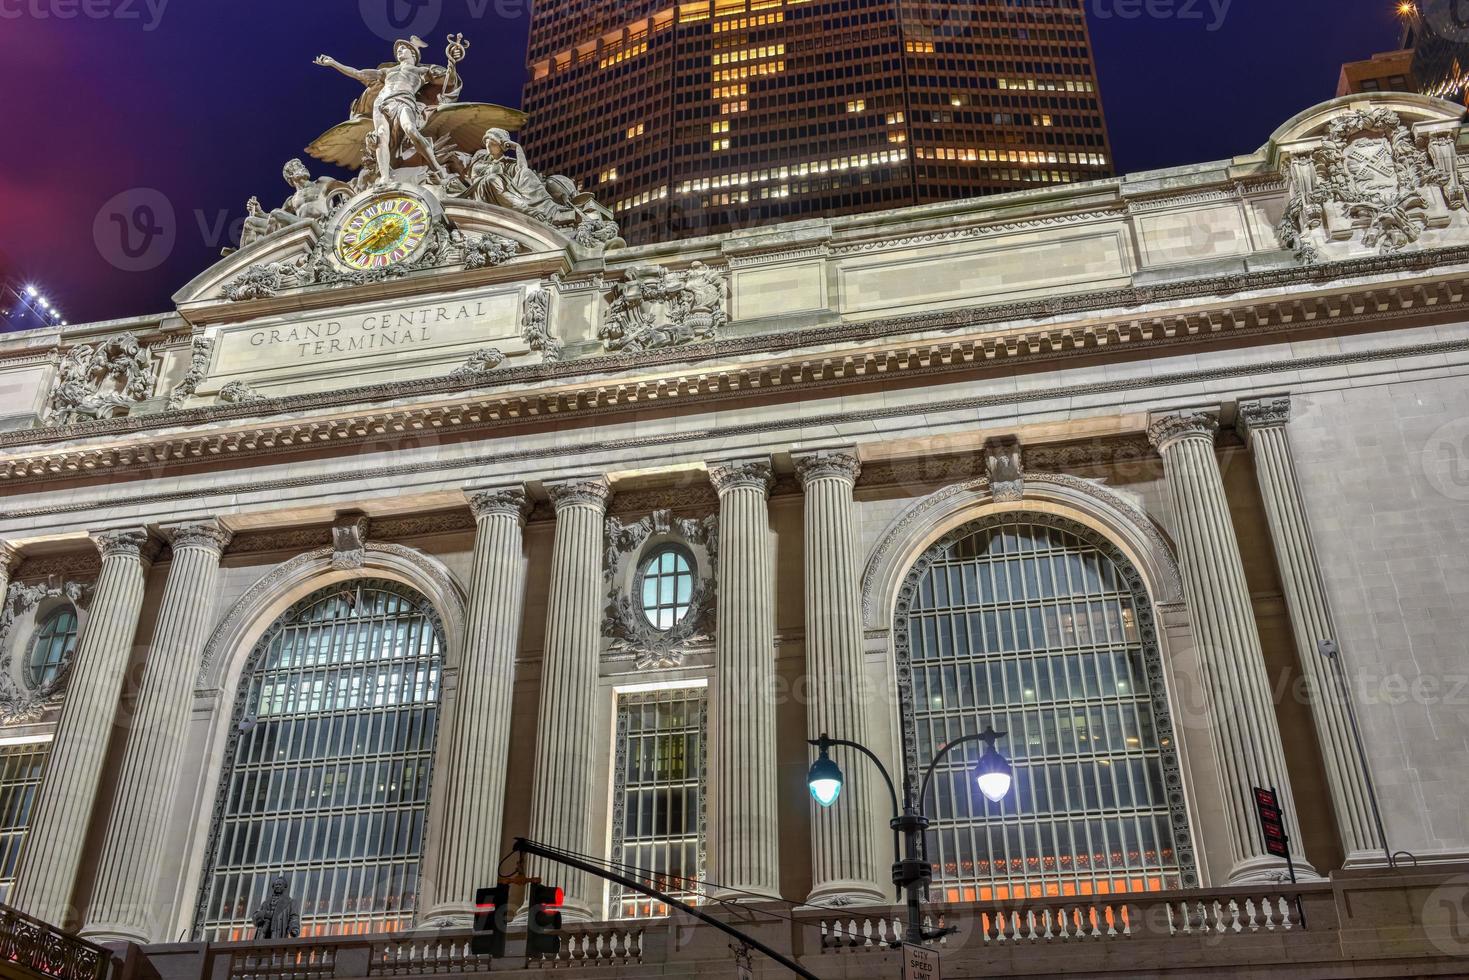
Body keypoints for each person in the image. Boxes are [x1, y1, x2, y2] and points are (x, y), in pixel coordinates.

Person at [316, 38, 458, 184]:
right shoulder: (387, 71)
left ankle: (436, 168)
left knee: (411, 130)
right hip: (382, 103)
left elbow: (450, 80)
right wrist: (333, 63)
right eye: (398, 50)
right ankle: (384, 177)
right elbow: (358, 73)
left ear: (413, 54)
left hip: (404, 101)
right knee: (381, 137)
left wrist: (452, 62)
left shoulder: (422, 71)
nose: (399, 51)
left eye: (403, 48)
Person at [251, 875, 301, 940]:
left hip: (278, 933)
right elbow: (254, 918)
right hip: (262, 935)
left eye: (280, 885)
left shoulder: (290, 902)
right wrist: (264, 914)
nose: (277, 886)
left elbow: (294, 917)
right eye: (276, 885)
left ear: (284, 887)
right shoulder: (266, 902)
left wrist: (294, 928)